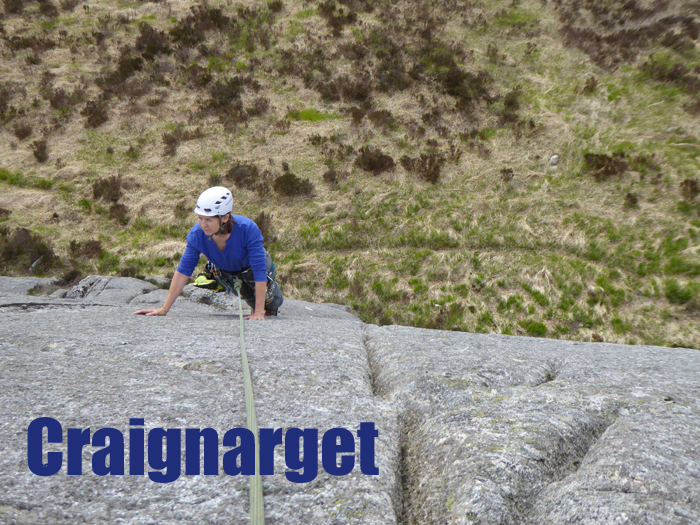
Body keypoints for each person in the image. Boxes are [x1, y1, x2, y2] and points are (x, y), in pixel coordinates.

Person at [133, 186, 283, 320]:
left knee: (270, 304)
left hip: (254, 267)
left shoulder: (247, 228)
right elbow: (184, 270)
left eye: (209, 220)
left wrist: (258, 312)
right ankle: (254, 301)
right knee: (248, 296)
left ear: (225, 217)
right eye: (200, 218)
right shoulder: (197, 234)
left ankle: (268, 298)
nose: (203, 224)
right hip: (228, 270)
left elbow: (258, 269)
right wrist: (164, 309)